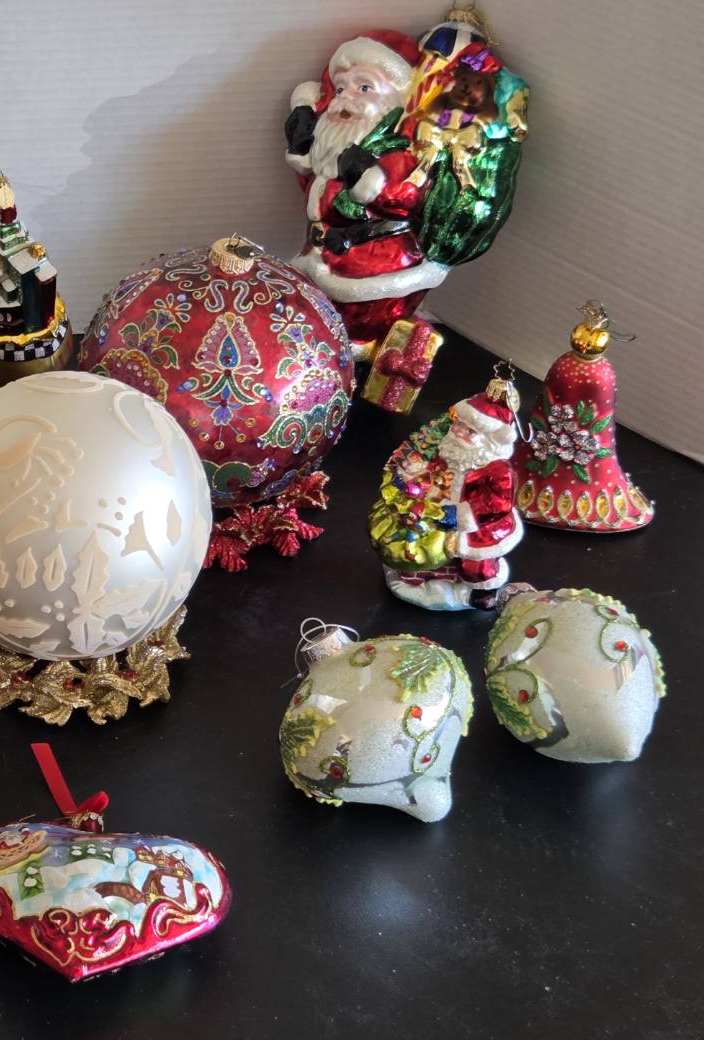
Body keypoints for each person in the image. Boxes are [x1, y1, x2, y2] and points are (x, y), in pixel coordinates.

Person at [284, 31, 448, 354]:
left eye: (364, 87)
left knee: (356, 328)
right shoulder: (332, 153)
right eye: (341, 88)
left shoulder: (399, 153)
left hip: (372, 273)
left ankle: (362, 347)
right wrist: (303, 131)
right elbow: (316, 187)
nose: (346, 98)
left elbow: (403, 194)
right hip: (320, 260)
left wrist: (364, 176)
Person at [368, 376, 524, 610]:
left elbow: (496, 503)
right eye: (458, 424)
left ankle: (484, 591)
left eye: (469, 430)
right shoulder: (452, 449)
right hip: (440, 508)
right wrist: (419, 477)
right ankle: (421, 571)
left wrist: (459, 516)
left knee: (475, 564)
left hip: (480, 526)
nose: (458, 432)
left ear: (490, 440)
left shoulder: (498, 469)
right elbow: (437, 470)